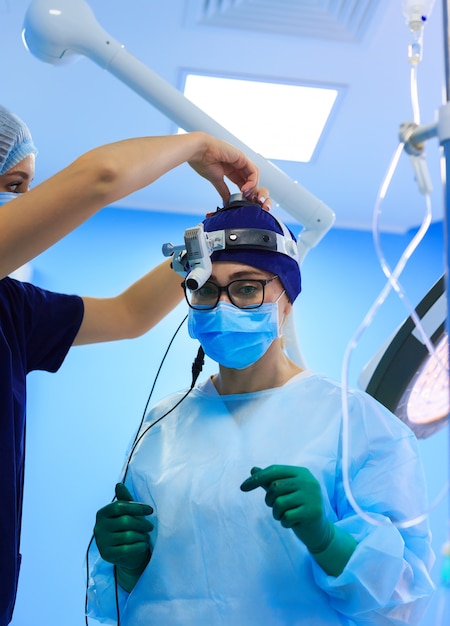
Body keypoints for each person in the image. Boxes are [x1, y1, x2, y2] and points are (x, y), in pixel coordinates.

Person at [88, 200, 435, 625]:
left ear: (287, 300)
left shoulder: (357, 425)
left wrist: (327, 539)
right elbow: (132, 601)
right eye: (205, 289)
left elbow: (403, 604)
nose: (221, 305)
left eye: (247, 288)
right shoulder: (162, 426)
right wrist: (127, 565)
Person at [0, 103, 269, 626]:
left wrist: (211, 238)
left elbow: (129, 315)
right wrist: (198, 145)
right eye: (13, 184)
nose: (22, 204)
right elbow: (101, 178)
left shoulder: (12, 309)